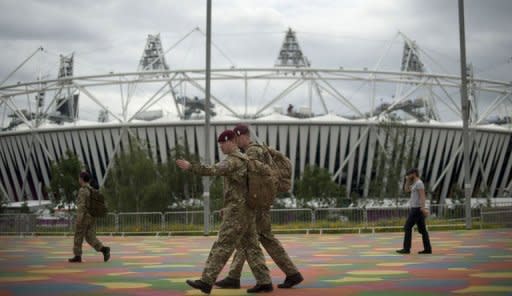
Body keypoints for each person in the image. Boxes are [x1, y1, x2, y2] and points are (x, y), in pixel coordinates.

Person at [176, 129, 273, 294]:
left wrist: (190, 167)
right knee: (251, 246)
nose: (220, 147)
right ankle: (265, 281)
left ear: (231, 142)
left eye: (222, 143)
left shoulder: (233, 161)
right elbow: (239, 189)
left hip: (237, 213)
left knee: (223, 245)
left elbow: (212, 170)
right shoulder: (245, 159)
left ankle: (206, 281)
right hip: (246, 210)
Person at [215, 124, 303, 289]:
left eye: (236, 138)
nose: (234, 141)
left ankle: (288, 274)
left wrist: (239, 205)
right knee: (253, 238)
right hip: (260, 203)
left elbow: (252, 182)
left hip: (256, 205)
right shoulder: (260, 149)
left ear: (242, 136)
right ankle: (234, 277)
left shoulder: (252, 152)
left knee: (255, 238)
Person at [68, 171, 110, 263]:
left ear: (82, 179)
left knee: (78, 235)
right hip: (92, 216)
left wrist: (79, 218)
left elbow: (81, 206)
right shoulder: (92, 189)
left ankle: (77, 255)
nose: (78, 179)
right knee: (90, 236)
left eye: (79, 178)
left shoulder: (83, 190)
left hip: (84, 217)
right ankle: (104, 249)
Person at [396, 168, 432, 255]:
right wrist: (407, 181)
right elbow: (406, 190)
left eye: (409, 174)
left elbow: (422, 196)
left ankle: (406, 249)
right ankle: (427, 249)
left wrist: (423, 208)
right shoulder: (414, 183)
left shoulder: (419, 183)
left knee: (407, 227)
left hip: (417, 209)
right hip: (415, 208)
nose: (408, 176)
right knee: (422, 230)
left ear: (414, 174)